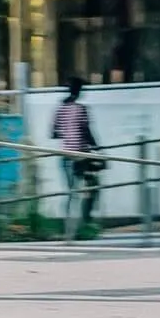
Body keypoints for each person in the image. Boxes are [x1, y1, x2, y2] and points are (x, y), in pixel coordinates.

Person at [51, 77, 101, 236]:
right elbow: (86, 131)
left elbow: (53, 133)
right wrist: (98, 148)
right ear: (79, 91)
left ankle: (68, 228)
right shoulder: (81, 109)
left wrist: (67, 133)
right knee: (92, 186)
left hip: (65, 156)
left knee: (71, 193)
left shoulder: (60, 109)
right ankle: (84, 223)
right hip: (80, 156)